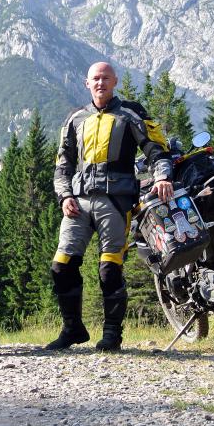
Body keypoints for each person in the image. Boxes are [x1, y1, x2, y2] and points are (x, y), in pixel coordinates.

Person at [46, 62, 173, 352]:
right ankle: (73, 329)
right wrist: (64, 196)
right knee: (61, 265)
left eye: (105, 78)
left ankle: (112, 334)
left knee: (109, 268)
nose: (100, 83)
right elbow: (62, 165)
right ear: (86, 83)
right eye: (95, 78)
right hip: (78, 202)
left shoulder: (130, 113)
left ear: (114, 81)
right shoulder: (75, 118)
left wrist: (163, 177)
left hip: (116, 201)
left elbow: (156, 149)